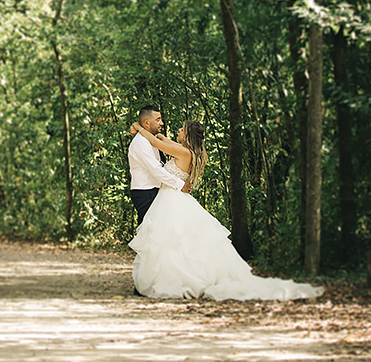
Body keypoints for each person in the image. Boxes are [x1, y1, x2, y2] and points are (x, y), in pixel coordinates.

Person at [129, 117, 324, 301]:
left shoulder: (184, 152)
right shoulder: (186, 150)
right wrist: (158, 135)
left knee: (173, 242)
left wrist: (139, 127)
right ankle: (170, 275)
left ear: (187, 135)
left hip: (172, 199)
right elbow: (163, 140)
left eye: (181, 129)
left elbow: (157, 144)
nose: (178, 130)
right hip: (173, 197)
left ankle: (178, 278)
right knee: (175, 243)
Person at [127, 105, 187, 225]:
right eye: (158, 120)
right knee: (147, 232)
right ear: (147, 123)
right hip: (145, 192)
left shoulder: (153, 139)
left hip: (155, 191)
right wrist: (180, 185)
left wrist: (137, 126)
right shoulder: (141, 142)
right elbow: (156, 170)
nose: (162, 123)